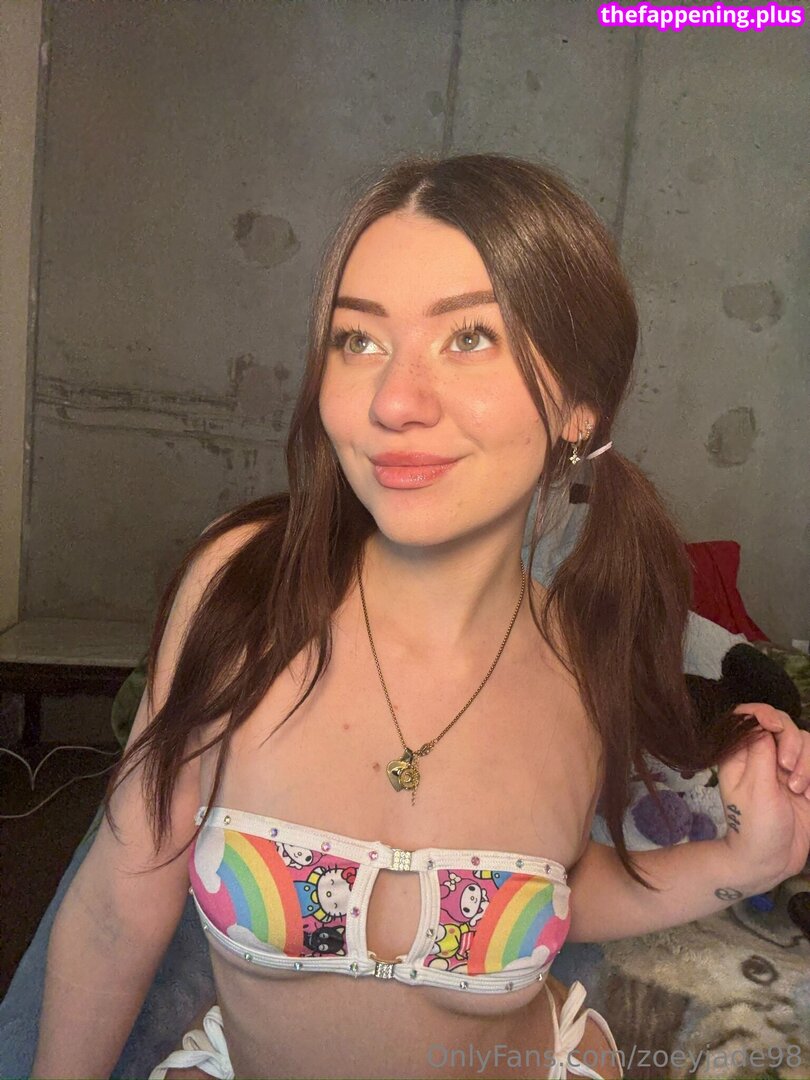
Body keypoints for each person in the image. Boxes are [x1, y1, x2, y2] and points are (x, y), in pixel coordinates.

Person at [32, 153, 810, 1080]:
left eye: (470, 336)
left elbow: (552, 887)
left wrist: (744, 862)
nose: (393, 401)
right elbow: (116, 906)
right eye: (358, 341)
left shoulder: (583, 659)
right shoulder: (245, 594)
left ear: (579, 405)